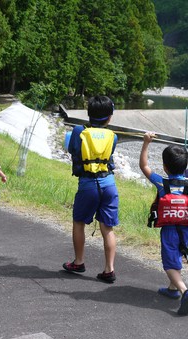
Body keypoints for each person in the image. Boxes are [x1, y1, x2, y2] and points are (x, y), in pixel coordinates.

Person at [139, 132, 188, 315]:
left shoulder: (162, 182)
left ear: (165, 167)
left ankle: (184, 290)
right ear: (186, 166)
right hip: (187, 228)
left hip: (170, 227)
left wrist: (146, 143)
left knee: (169, 262)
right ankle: (172, 290)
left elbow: (144, 166)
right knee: (177, 255)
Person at [62, 95, 119, 283]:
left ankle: (79, 262)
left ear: (89, 114)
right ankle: (109, 269)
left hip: (88, 184)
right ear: (109, 117)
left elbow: (72, 150)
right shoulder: (114, 136)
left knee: (79, 222)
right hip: (109, 184)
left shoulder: (79, 131)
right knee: (107, 228)